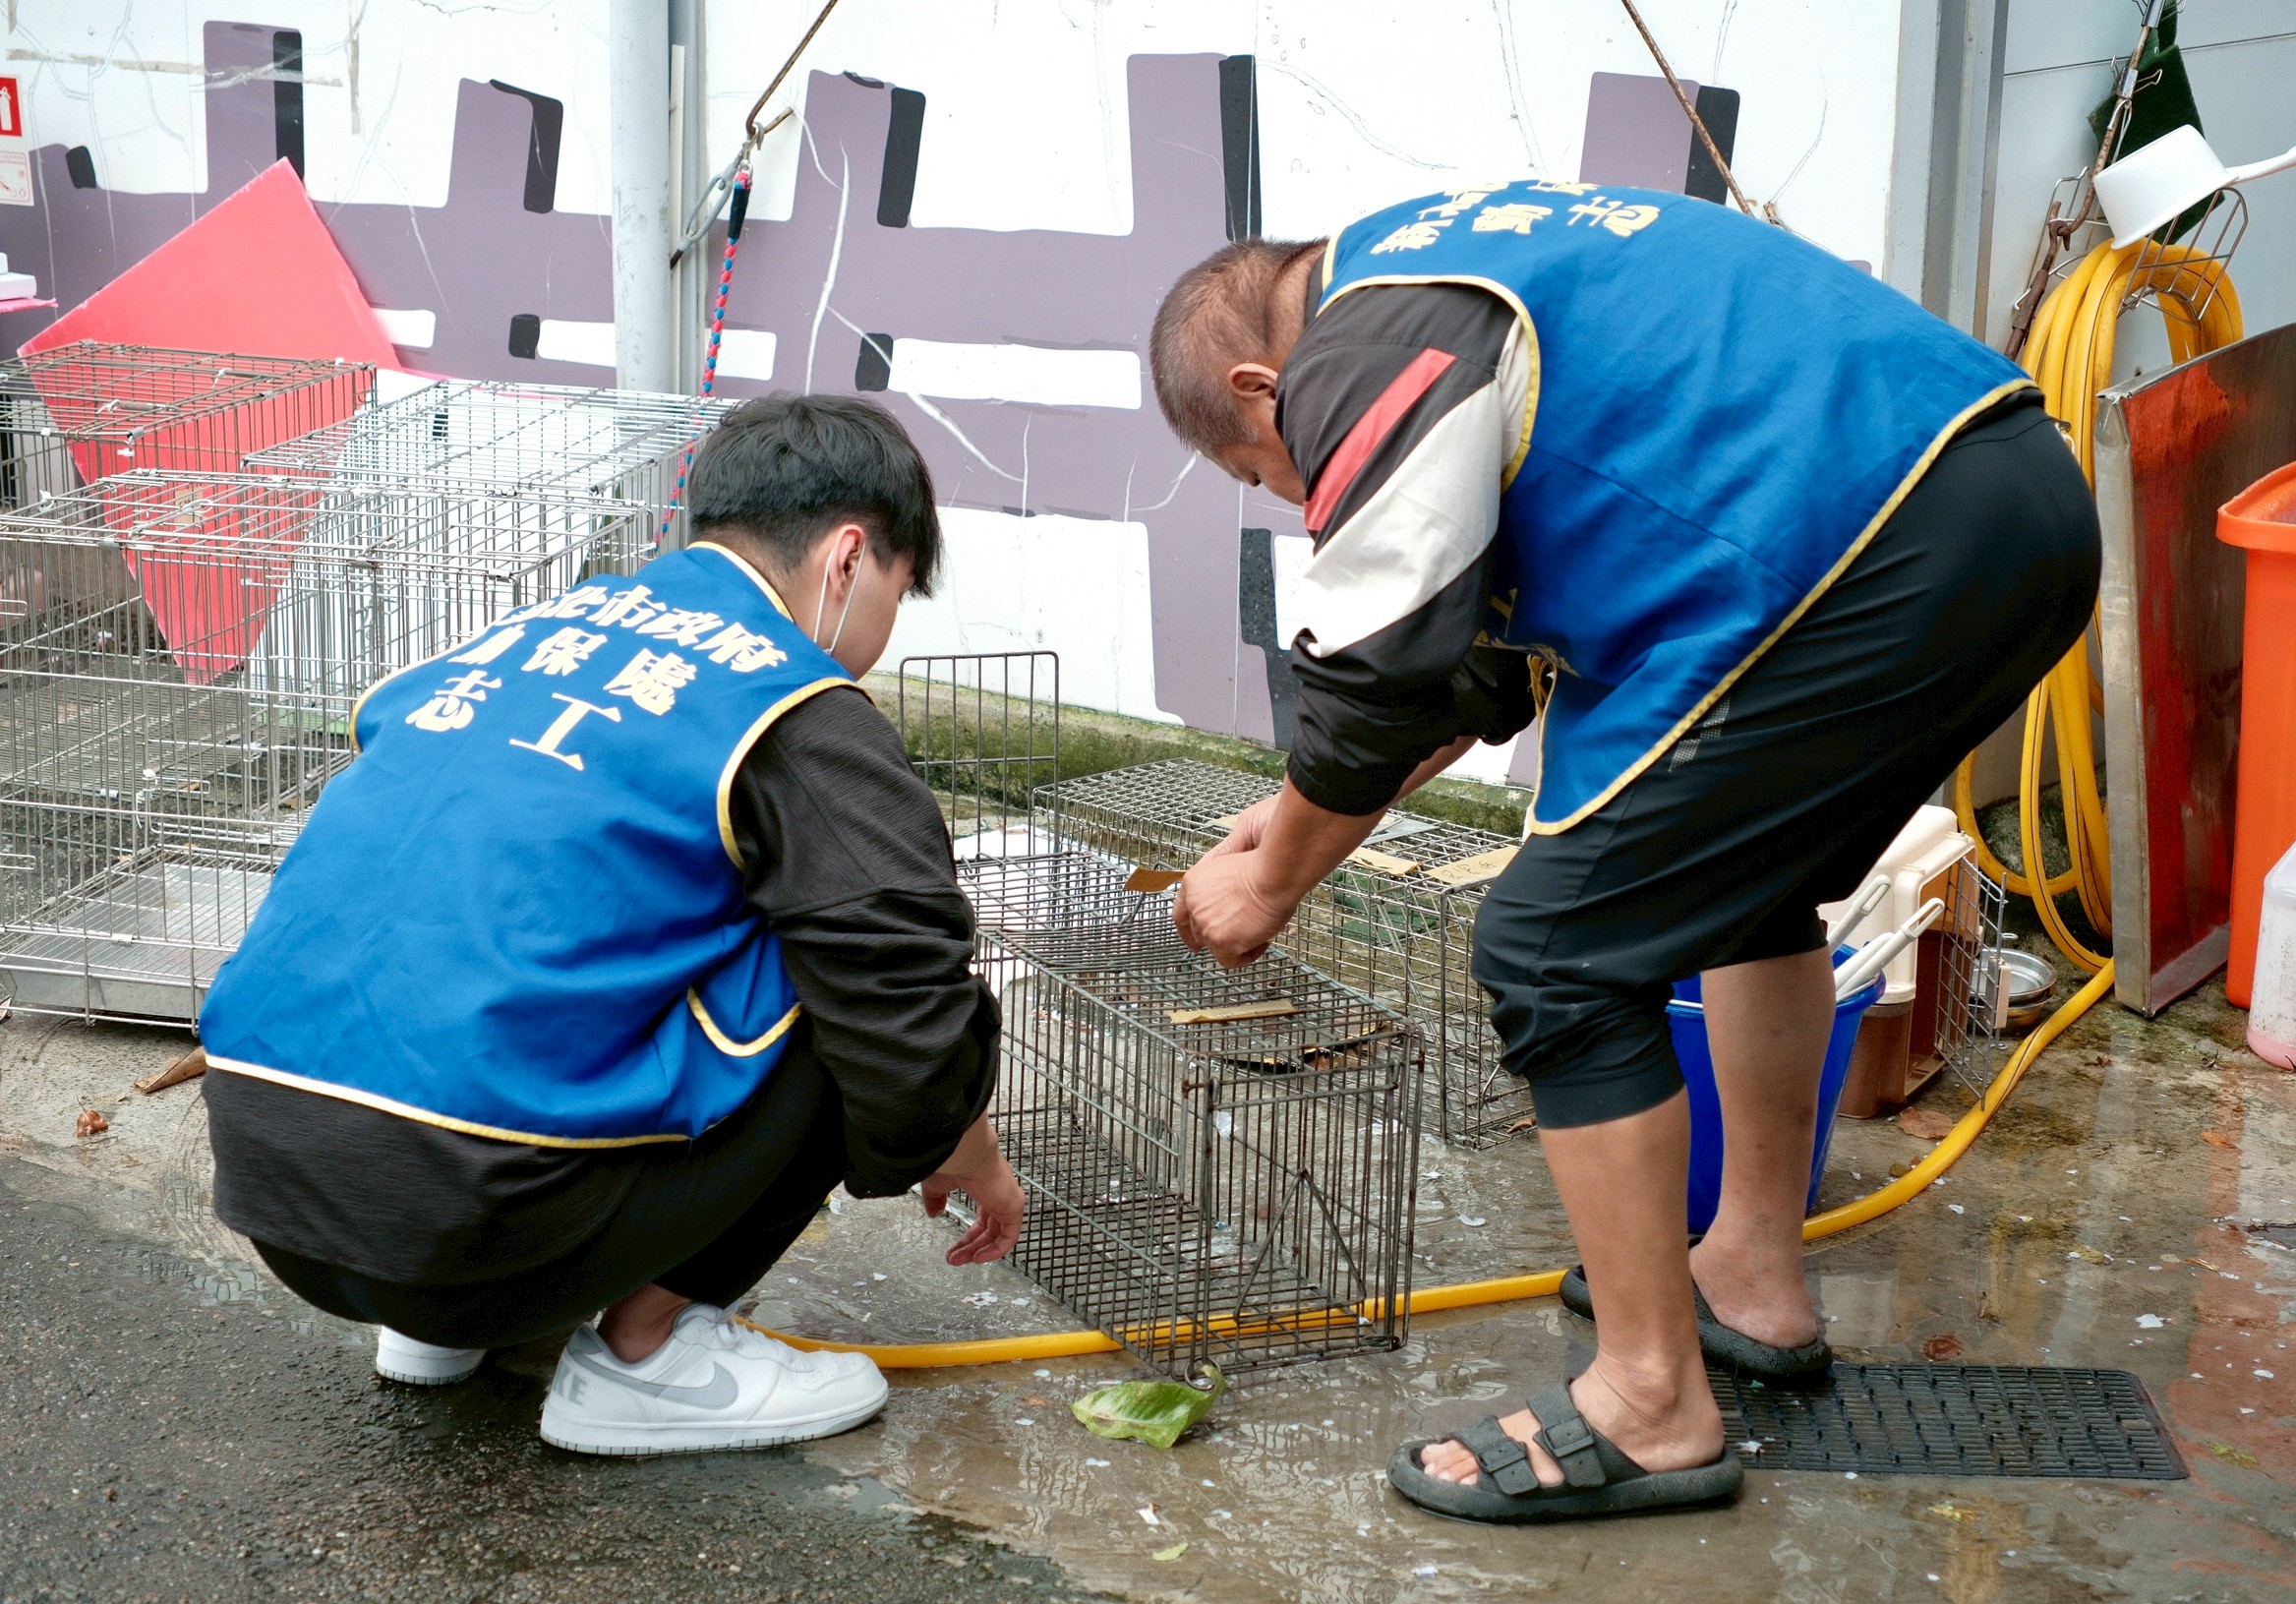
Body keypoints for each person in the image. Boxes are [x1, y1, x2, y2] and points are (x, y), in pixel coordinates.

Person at [1148, 182, 2097, 1520]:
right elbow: (1456, 675)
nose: (1299, 495)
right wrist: (1298, 816)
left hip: (1869, 539)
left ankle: (1650, 1401)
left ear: (1263, 389)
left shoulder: (1364, 342)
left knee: (1554, 950)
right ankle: (1749, 1276)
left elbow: (1379, 661)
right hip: (2003, 501)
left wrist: (1266, 881)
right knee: (1740, 889)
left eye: (1269, 473)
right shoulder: (1455, 254)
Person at [199, 394, 1025, 1456]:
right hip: (477, 1218)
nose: (880, 634)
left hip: (278, 1194)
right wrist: (965, 1143)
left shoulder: (521, 637)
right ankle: (649, 1349)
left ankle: (441, 1329)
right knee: (842, 954)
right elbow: (908, 1006)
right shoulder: (793, 701)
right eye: (898, 594)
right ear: (849, 557)